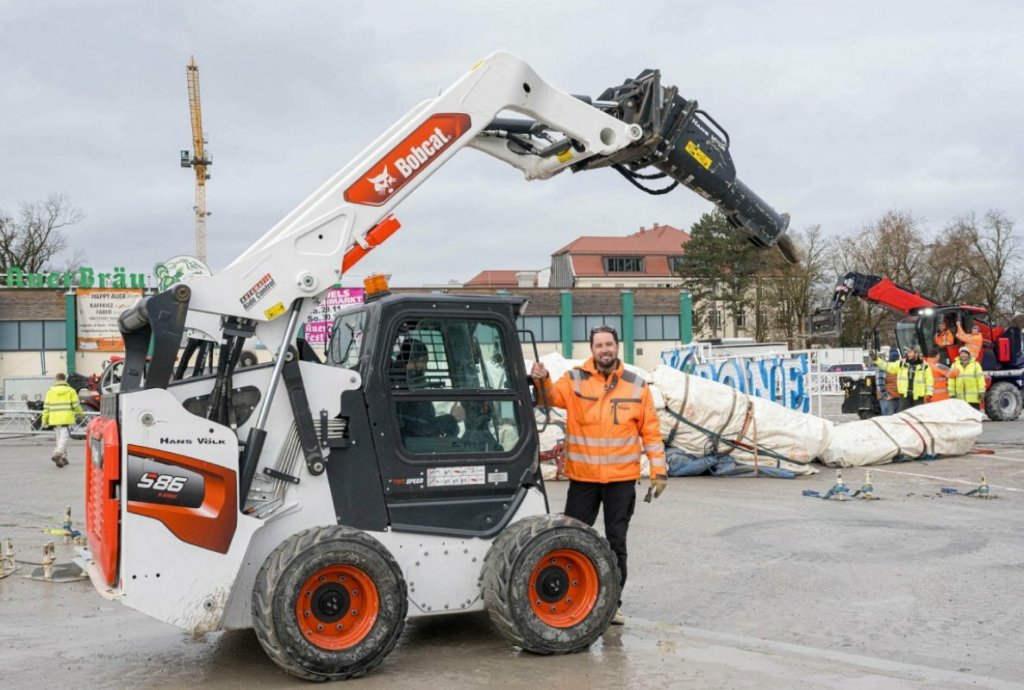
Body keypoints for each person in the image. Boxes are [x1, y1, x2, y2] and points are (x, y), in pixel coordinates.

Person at [530, 325, 667, 627]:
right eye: (599, 345)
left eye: (609, 344)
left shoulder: (636, 385)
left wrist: (659, 471)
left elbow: (651, 432)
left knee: (616, 543)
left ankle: (611, 605)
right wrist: (542, 378)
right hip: (584, 480)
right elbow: (547, 398)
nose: (604, 350)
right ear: (591, 350)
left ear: (617, 347)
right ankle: (570, 600)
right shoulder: (575, 379)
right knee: (571, 539)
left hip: (621, 481)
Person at [391, 339, 458, 441]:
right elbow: (420, 426)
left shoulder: (408, 381)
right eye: (422, 361)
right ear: (409, 360)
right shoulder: (403, 385)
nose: (425, 367)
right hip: (412, 437)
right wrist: (452, 418)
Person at [41, 372, 84, 468]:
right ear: (65, 380)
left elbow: (46, 407)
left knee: (59, 439)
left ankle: (63, 458)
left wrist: (44, 420)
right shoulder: (71, 391)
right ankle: (58, 453)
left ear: (56, 380)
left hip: (54, 420)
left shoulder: (50, 391)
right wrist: (81, 414)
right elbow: (76, 405)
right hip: (66, 419)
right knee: (64, 439)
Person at [896, 346, 933, 411]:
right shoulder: (902, 363)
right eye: (908, 352)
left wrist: (929, 394)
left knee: (918, 415)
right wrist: (877, 360)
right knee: (904, 415)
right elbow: (888, 366)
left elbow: (929, 381)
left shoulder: (925, 366)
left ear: (916, 353)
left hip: (918, 397)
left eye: (910, 352)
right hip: (905, 397)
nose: (908, 354)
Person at [872, 349, 901, 415]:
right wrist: (886, 396)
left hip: (897, 398)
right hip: (888, 399)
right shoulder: (884, 368)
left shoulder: (897, 367)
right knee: (889, 419)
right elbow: (880, 384)